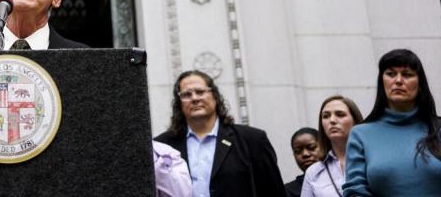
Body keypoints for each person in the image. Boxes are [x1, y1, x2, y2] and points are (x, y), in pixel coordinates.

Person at [154, 70, 285, 197]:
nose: (194, 98)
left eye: (200, 92)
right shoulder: (161, 146)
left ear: (215, 96)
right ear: (179, 103)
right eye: (186, 95)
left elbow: (273, 191)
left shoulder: (253, 140)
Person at [343, 48, 441, 196]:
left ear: (420, 85)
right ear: (382, 82)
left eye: (407, 74)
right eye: (390, 74)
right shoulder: (360, 134)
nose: (398, 80)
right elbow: (355, 191)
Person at [301, 96, 362, 197]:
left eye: (340, 114)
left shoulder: (372, 161)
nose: (332, 120)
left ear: (355, 120)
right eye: (326, 116)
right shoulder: (313, 172)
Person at [285, 127, 320, 197]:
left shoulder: (342, 177)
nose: (305, 154)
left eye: (311, 148)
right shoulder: (288, 191)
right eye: (298, 151)